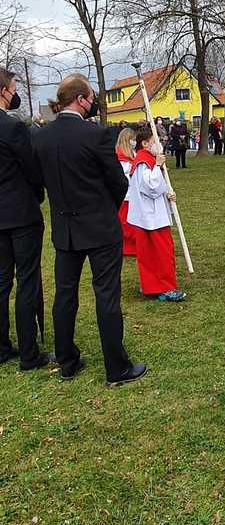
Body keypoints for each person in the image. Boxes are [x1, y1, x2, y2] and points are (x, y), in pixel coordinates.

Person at [34, 74, 146, 387]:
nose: (93, 103)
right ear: (81, 99)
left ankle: (67, 361)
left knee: (65, 295)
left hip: (65, 227)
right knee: (106, 294)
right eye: (91, 98)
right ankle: (116, 368)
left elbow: (37, 179)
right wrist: (106, 209)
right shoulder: (94, 134)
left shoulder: (41, 136)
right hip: (98, 226)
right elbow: (118, 181)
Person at [0, 68, 53, 371]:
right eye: (13, 89)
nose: (15, 94)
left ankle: (1, 346)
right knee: (27, 280)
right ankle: (29, 353)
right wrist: (37, 193)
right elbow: (31, 168)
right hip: (19, 212)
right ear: (4, 92)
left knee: (1, 281)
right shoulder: (13, 127)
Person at [127, 127, 186, 302]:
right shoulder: (143, 161)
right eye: (155, 141)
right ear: (145, 143)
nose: (158, 145)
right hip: (150, 217)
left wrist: (167, 194)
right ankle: (163, 287)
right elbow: (150, 187)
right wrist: (158, 165)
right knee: (159, 253)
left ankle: (153, 285)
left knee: (155, 253)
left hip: (152, 215)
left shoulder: (147, 160)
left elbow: (157, 187)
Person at [115, 127, 137, 256]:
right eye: (132, 139)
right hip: (126, 195)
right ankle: (126, 246)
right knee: (125, 222)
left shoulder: (133, 153)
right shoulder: (119, 156)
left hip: (134, 192)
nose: (134, 142)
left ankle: (134, 244)